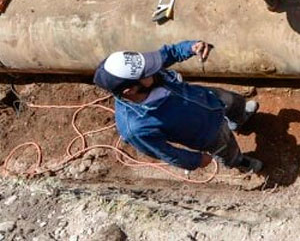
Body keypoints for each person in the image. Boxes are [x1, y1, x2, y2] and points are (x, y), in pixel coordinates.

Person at [93, 40, 263, 173]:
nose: (154, 70)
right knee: (227, 149)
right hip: (207, 134)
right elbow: (165, 152)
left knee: (234, 101)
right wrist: (195, 161)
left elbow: (168, 53)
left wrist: (191, 47)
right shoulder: (135, 127)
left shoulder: (144, 71)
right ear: (130, 90)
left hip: (206, 98)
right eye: (147, 73)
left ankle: (239, 119)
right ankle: (240, 162)